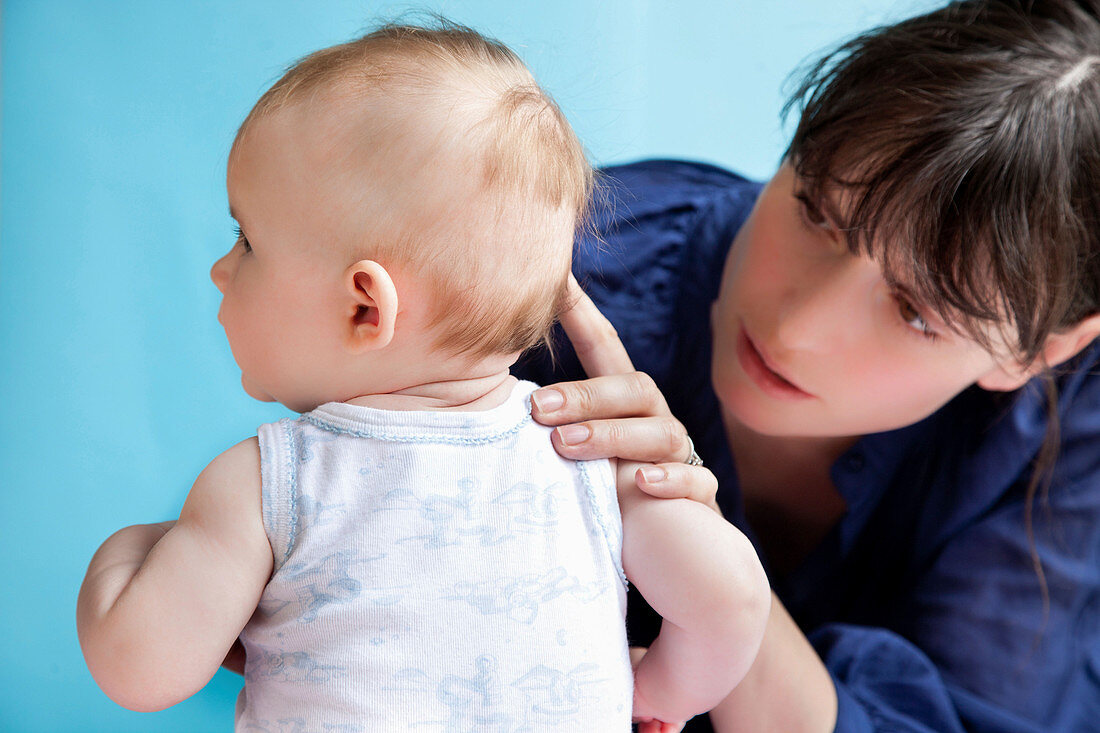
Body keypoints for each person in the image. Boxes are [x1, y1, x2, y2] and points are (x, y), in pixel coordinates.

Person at [74, 21, 770, 732]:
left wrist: (124, 553)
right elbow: (734, 601)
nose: (223, 269)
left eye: (247, 239)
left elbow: (140, 668)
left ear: (364, 307)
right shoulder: (589, 460)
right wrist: (660, 690)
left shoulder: (265, 485)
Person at [515, 1, 1100, 730]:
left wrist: (715, 583)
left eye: (918, 312)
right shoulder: (547, 287)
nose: (796, 329)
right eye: (817, 211)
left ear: (1039, 353)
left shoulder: (1066, 418)